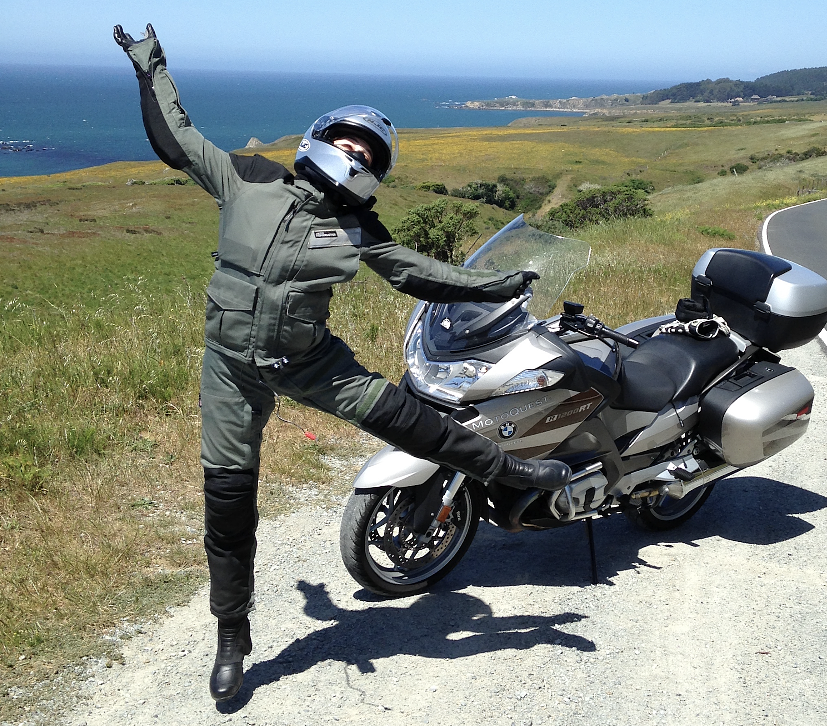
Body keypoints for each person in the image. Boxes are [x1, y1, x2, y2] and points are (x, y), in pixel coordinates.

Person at [113, 24, 571, 702]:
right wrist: (149, 63)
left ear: (376, 171)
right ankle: (231, 635)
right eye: (347, 141)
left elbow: (422, 276)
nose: (354, 154)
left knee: (416, 423)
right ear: (318, 139)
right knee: (229, 509)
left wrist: (502, 283)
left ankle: (514, 472)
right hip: (231, 369)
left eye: (368, 152)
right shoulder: (249, 180)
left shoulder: (359, 229)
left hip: (313, 364)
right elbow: (175, 137)